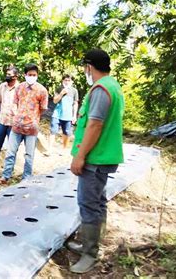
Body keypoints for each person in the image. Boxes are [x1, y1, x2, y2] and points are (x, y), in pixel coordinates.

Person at [68, 49, 124, 274]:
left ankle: (89, 254)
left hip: (95, 158)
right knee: (98, 201)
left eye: (84, 67)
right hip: (102, 156)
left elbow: (95, 125)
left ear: (89, 67)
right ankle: (89, 244)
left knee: (89, 204)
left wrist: (80, 156)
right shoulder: (113, 86)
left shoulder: (101, 89)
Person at [0, 63, 48, 185]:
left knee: (29, 155)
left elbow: (43, 108)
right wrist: (18, 116)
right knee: (10, 152)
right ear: (25, 75)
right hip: (17, 126)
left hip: (32, 128)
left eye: (34, 75)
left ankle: (26, 178)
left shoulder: (42, 90)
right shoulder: (20, 88)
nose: (32, 76)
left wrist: (33, 117)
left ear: (37, 75)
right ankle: (5, 176)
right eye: (29, 74)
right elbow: (15, 103)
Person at [0, 65, 19, 175]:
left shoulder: (20, 87)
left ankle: (8, 171)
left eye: (9, 75)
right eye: (7, 74)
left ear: (15, 76)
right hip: (2, 120)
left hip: (14, 122)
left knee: (12, 148)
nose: (7, 76)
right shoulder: (2, 86)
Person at [49, 74, 79, 149]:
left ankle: (64, 149)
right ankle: (49, 149)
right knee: (53, 131)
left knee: (66, 132)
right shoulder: (59, 89)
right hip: (57, 114)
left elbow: (75, 103)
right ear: (62, 81)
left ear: (72, 82)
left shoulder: (74, 91)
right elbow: (55, 101)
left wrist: (74, 115)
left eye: (69, 80)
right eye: (65, 80)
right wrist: (61, 93)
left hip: (68, 115)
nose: (67, 82)